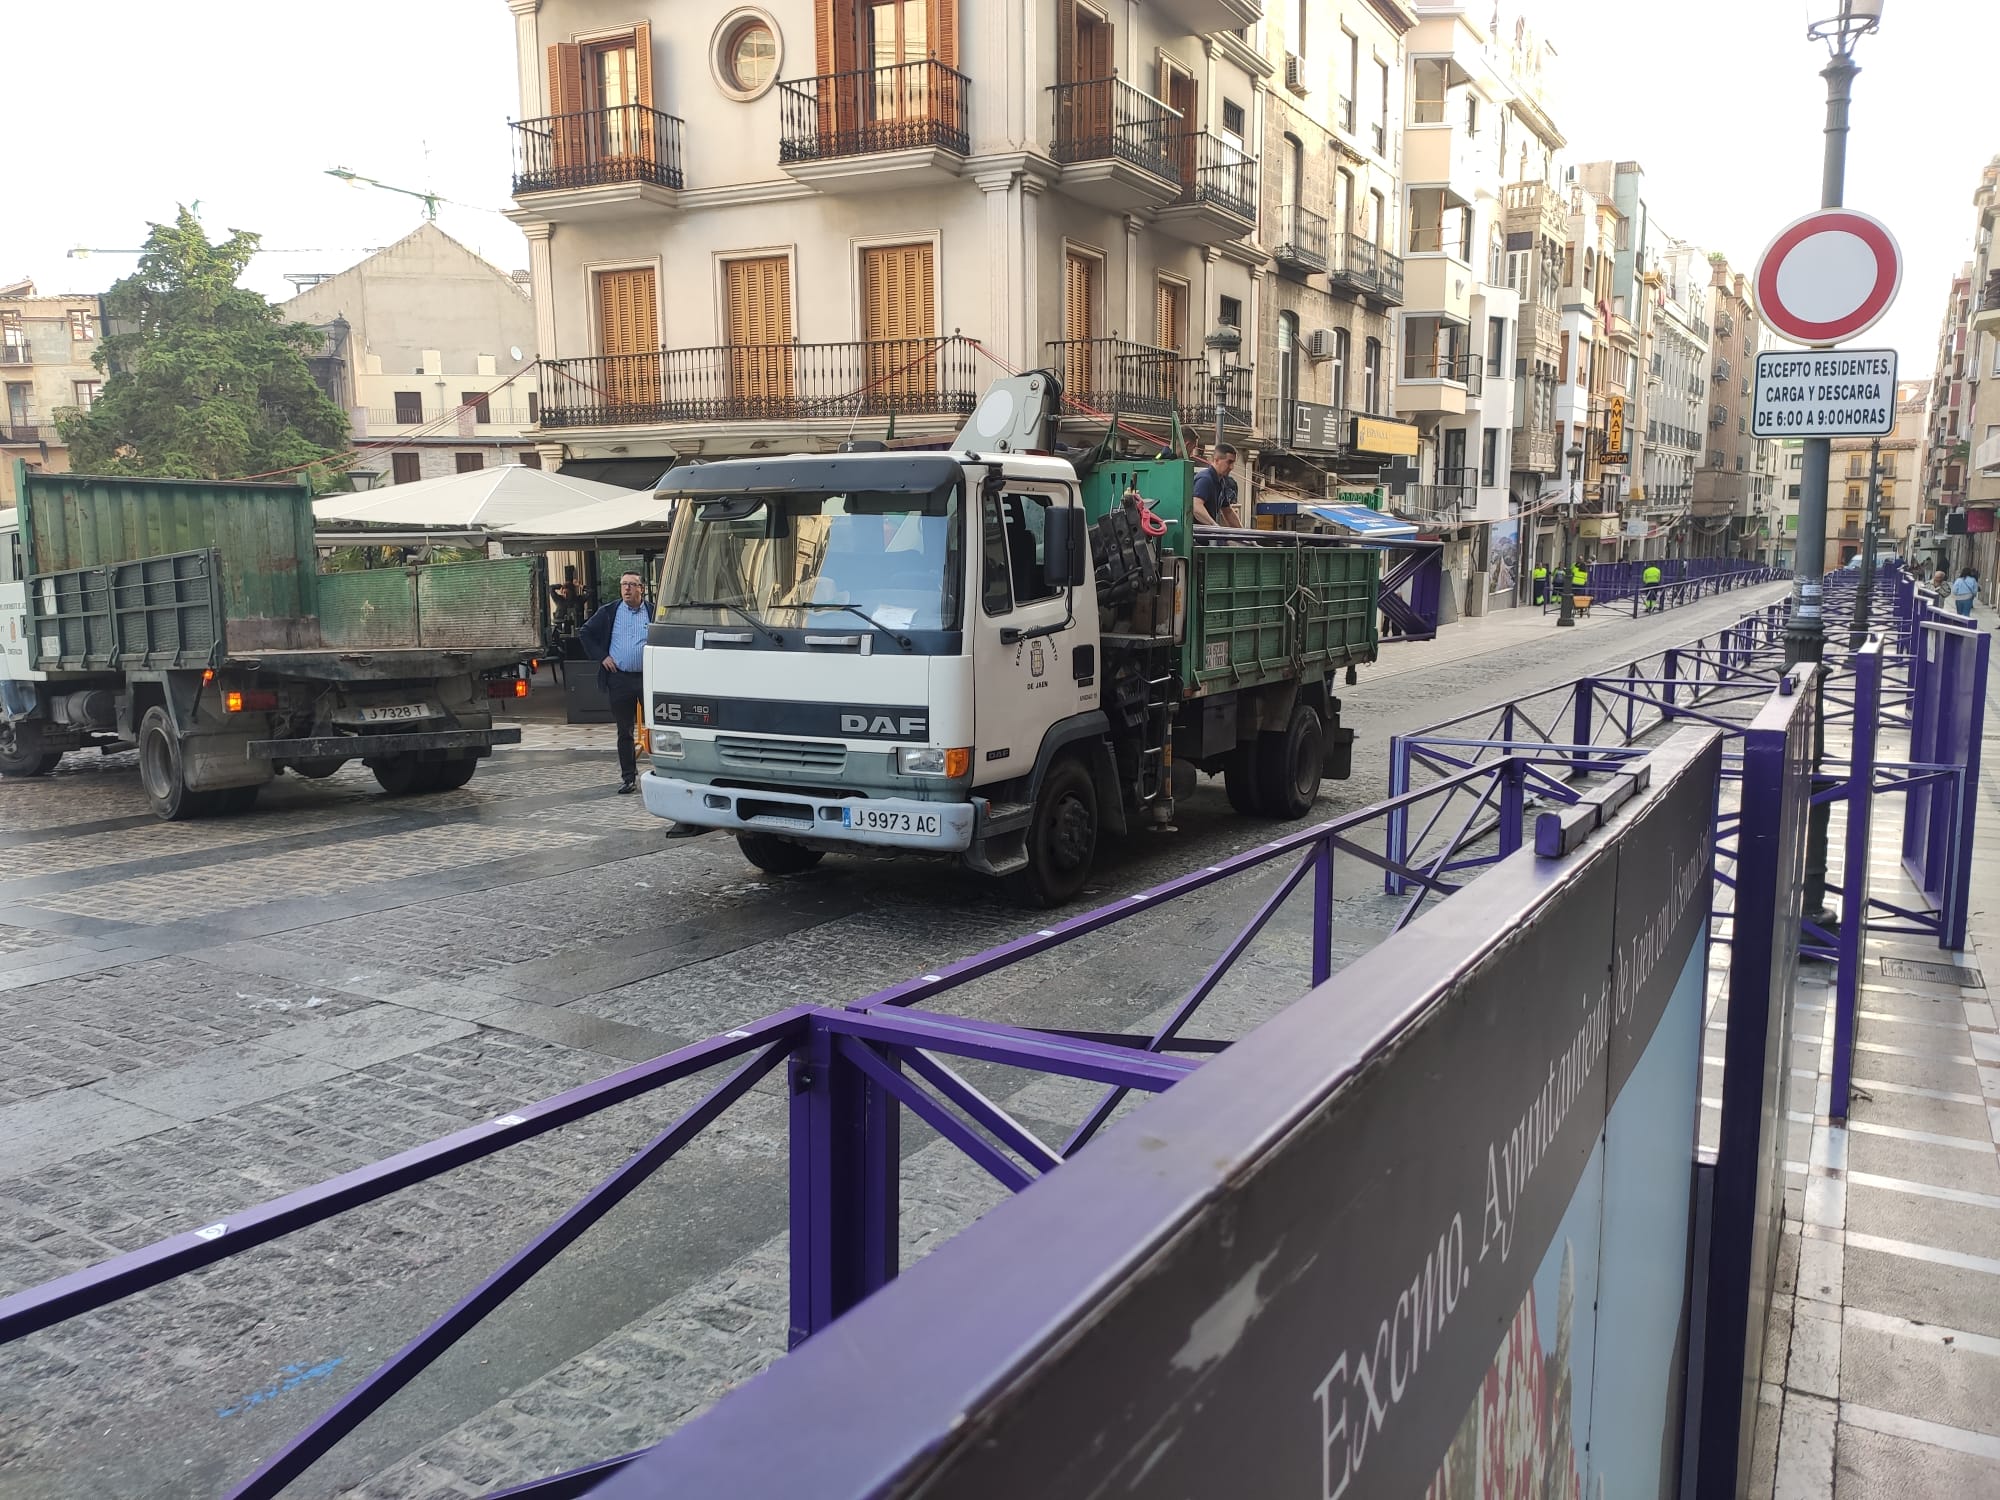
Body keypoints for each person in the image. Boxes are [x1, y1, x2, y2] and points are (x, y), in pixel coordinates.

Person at [578, 570, 654, 793]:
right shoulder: (610, 612)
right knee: (625, 730)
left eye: (632, 584)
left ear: (641, 588)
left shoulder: (652, 611)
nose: (627, 589)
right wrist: (602, 656)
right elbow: (585, 632)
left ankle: (662, 772)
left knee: (655, 727)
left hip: (647, 677)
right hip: (619, 678)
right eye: (623, 585)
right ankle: (629, 777)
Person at [1191, 444, 1241, 527]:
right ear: (1216, 460)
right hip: (1195, 536)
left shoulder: (1221, 481)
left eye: (1233, 463)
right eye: (1229, 462)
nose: (1232, 467)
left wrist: (1244, 535)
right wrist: (1214, 525)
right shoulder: (1205, 479)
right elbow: (1196, 506)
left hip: (1207, 534)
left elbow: (1228, 511)